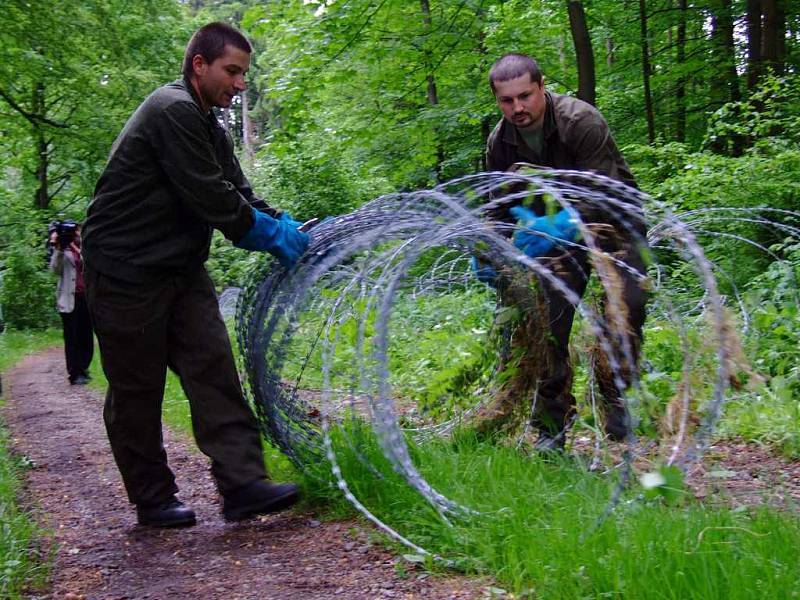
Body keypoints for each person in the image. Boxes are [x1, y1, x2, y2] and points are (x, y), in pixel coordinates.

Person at [82, 22, 310, 527]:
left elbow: (238, 191)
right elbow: (214, 200)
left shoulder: (208, 122)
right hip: (124, 270)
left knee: (214, 368)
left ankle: (244, 485)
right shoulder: (174, 111)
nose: (239, 84)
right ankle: (154, 499)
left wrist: (282, 222)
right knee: (137, 391)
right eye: (232, 71)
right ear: (199, 65)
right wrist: (271, 237)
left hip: (179, 267)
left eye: (244, 74)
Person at [476, 53, 649, 449]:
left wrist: (563, 223)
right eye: (507, 101)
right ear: (497, 100)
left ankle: (617, 401)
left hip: (612, 225)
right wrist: (489, 247)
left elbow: (605, 193)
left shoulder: (580, 122)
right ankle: (551, 427)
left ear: (541, 87)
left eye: (525, 96)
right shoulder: (500, 142)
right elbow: (497, 207)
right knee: (544, 322)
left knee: (627, 309)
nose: (517, 108)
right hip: (551, 238)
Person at [49, 222, 94, 386]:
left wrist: (76, 247)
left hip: (85, 298)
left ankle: (84, 368)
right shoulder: (62, 249)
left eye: (77, 231)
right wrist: (60, 248)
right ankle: (74, 373)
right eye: (75, 231)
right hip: (69, 299)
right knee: (72, 337)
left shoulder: (82, 247)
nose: (77, 234)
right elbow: (54, 269)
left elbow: (89, 263)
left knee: (86, 337)